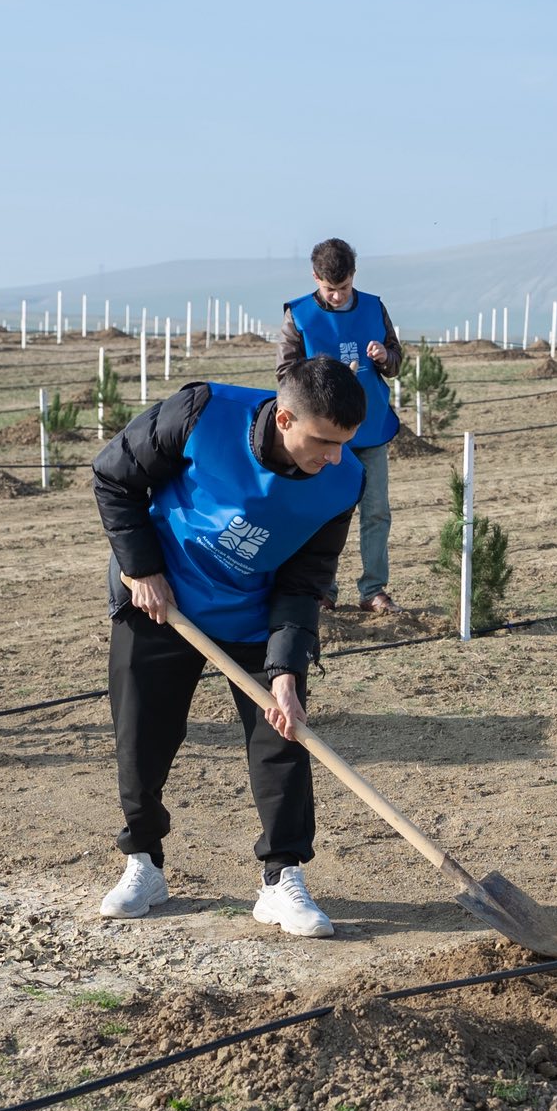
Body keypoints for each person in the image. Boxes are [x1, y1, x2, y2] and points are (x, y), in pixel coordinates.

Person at [93, 356, 368, 935]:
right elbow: (115, 476)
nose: (335, 457)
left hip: (255, 615)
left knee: (283, 735)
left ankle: (281, 877)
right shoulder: (203, 414)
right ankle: (143, 862)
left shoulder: (343, 482)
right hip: (162, 599)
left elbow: (305, 580)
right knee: (142, 734)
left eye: (345, 443)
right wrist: (141, 569)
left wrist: (286, 670)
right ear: (285, 419)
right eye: (324, 441)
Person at [277, 238, 403, 612]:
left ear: (354, 275)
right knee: (323, 514)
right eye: (330, 289)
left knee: (376, 512)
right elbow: (285, 376)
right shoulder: (298, 316)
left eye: (344, 287)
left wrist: (385, 357)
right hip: (322, 437)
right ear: (315, 278)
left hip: (371, 429)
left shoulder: (375, 308)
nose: (337, 296)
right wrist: (325, 375)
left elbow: (397, 362)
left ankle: (373, 590)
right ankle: (322, 591)